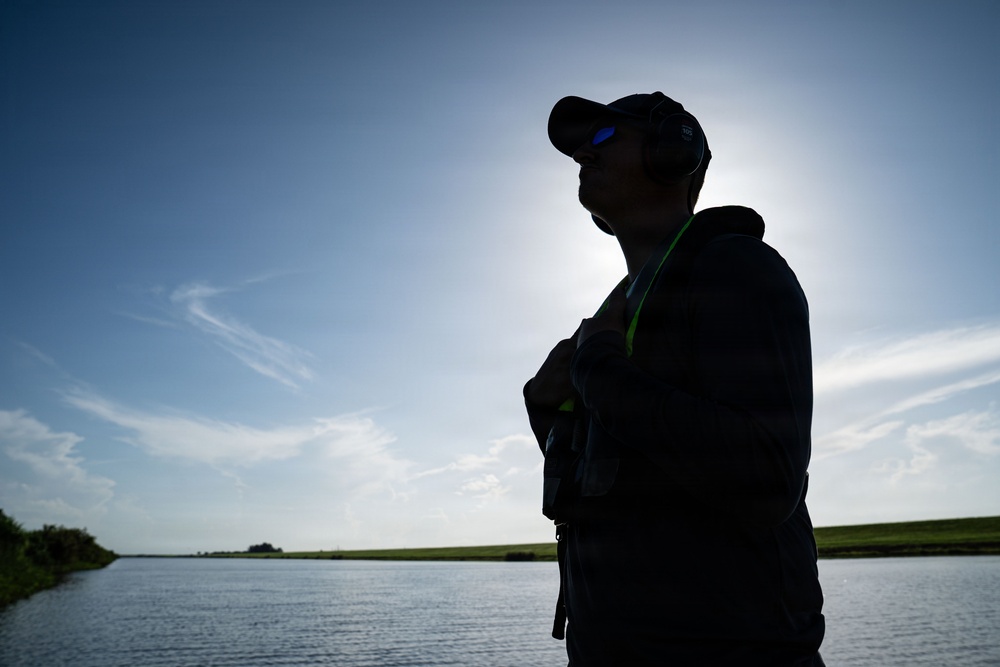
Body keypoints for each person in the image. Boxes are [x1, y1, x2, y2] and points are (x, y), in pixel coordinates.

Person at [523, 92, 826, 665]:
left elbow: (765, 477)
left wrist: (598, 368)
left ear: (673, 150)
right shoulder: (618, 316)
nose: (584, 152)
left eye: (605, 136)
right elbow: (610, 484)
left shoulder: (736, 268)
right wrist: (543, 405)